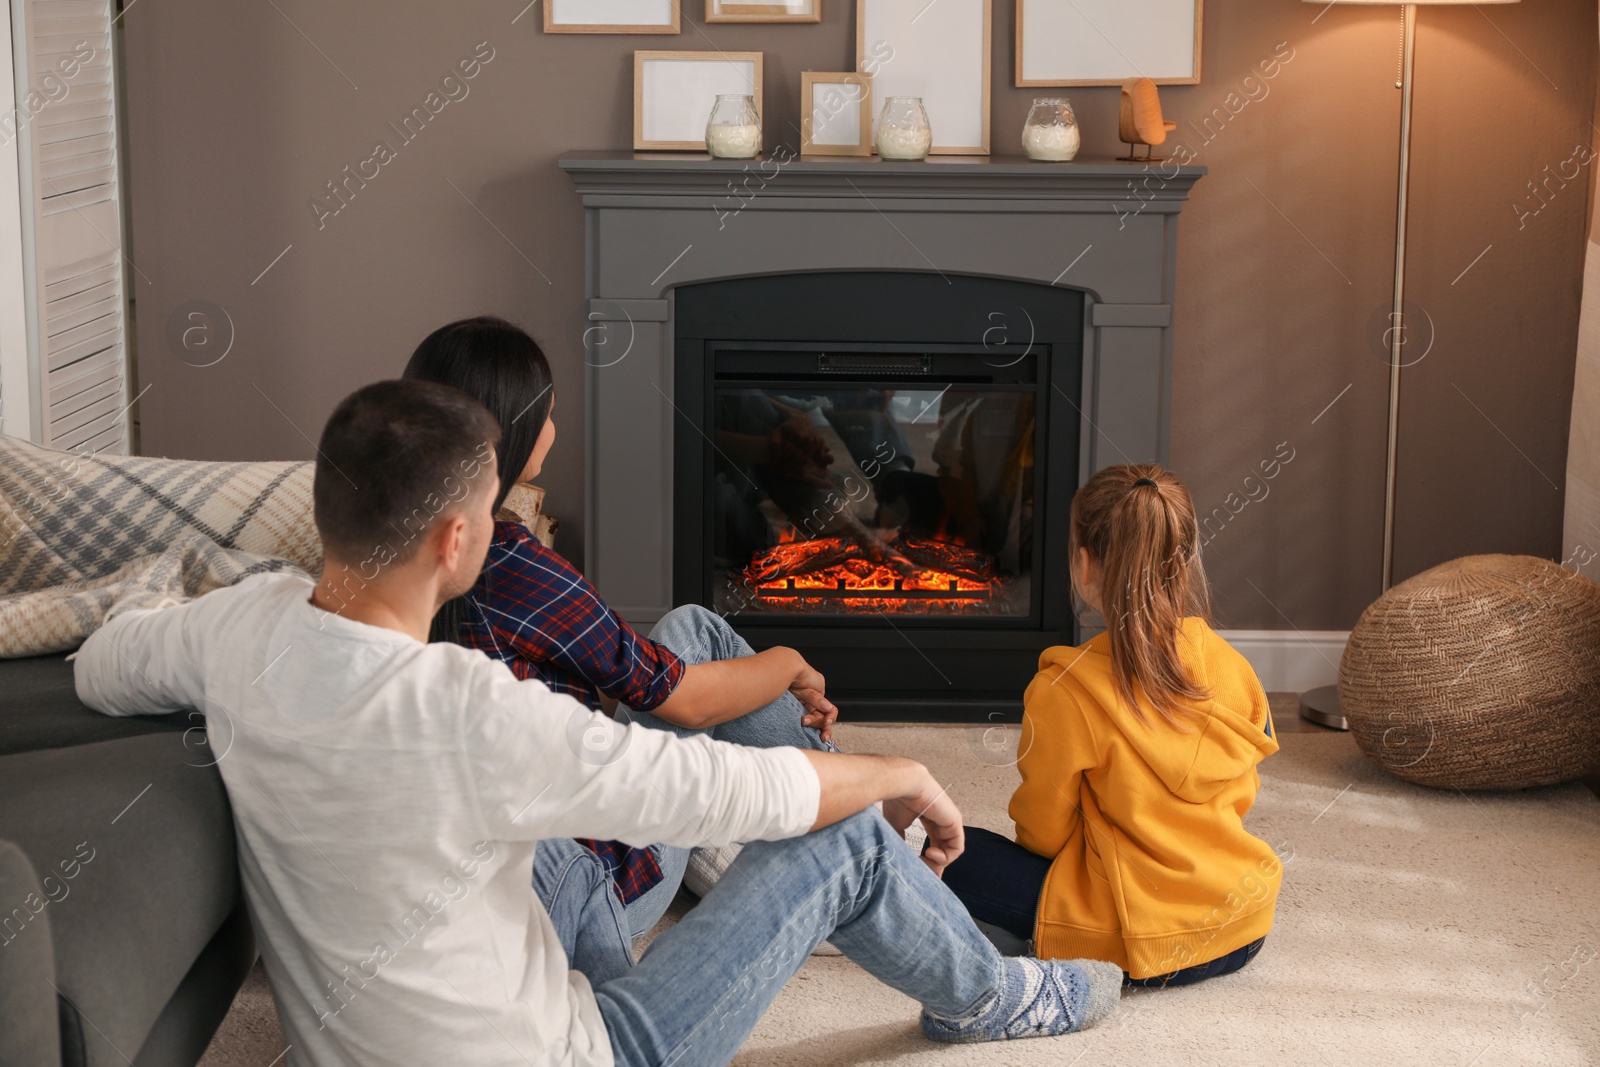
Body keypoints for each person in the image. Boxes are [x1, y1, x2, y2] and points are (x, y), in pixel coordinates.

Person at [73, 379, 1121, 1066]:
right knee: (840, 835)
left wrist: (145, 601)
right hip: (575, 1054)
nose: (503, 526)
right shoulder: (469, 709)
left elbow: (101, 664)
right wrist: (901, 771)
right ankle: (982, 994)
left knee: (634, 732)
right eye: (493, 511)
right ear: (452, 539)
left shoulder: (237, 631)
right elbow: (741, 792)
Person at [400, 318, 838, 967]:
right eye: (548, 412)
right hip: (597, 888)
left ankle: (743, 830)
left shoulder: (395, 545)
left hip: (498, 861)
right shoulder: (512, 563)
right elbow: (681, 698)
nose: (556, 424)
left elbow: (625, 673)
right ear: (512, 432)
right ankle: (843, 820)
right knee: (695, 630)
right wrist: (790, 661)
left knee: (682, 649)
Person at [940, 464, 1282, 986]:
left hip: (1136, 941)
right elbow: (1239, 798)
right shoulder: (1235, 667)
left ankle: (1038, 941)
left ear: (1083, 564)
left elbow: (1044, 834)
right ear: (1185, 560)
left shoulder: (1066, 690)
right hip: (1240, 930)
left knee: (943, 842)